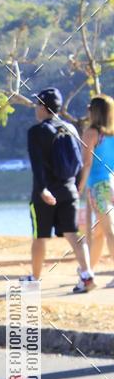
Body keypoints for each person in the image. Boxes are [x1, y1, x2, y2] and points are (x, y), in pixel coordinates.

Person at [26, 87, 95, 292]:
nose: (35, 108)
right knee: (73, 233)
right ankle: (87, 275)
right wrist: (77, 188)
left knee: (40, 236)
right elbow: (81, 162)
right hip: (69, 190)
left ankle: (34, 280)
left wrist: (42, 190)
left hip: (46, 192)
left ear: (43, 107)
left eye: (37, 104)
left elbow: (37, 165)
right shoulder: (72, 129)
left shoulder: (36, 132)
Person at [77, 94, 114, 278]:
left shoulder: (91, 133)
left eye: (90, 108)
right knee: (100, 232)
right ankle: (88, 269)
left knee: (109, 232)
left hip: (98, 186)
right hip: (112, 183)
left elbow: (87, 164)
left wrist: (79, 188)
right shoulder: (111, 134)